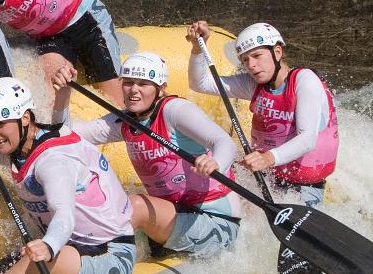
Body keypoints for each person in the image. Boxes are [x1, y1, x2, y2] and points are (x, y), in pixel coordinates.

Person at [0, 77, 136, 274]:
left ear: (25, 118)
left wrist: (48, 246)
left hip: (109, 255)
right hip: (69, 246)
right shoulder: (13, 143)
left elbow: (63, 213)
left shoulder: (53, 160)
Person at [52, 52, 242, 255]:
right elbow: (63, 135)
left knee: (136, 205)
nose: (134, 90)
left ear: (160, 89)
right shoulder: (123, 121)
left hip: (216, 222)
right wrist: (63, 96)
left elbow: (224, 142)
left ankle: (92, 260)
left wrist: (216, 163)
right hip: (175, 216)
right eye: (128, 83)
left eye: (143, 84)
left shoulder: (175, 110)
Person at [187, 21, 339, 208]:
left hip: (303, 187)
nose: (251, 65)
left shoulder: (304, 79)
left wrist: (267, 158)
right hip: (265, 175)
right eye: (245, 60)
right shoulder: (253, 84)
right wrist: (197, 48)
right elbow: (200, 84)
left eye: (257, 56)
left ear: (277, 52)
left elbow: (308, 139)